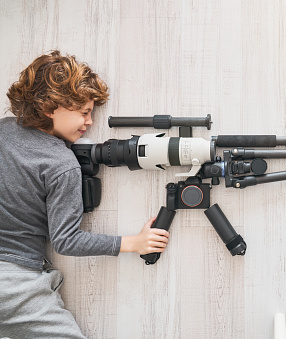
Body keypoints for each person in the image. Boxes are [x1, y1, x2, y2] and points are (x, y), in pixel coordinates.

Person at [0, 50, 170, 338]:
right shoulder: (60, 165)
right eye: (84, 112)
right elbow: (66, 240)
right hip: (15, 283)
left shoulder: (3, 131)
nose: (89, 122)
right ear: (50, 108)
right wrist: (135, 242)